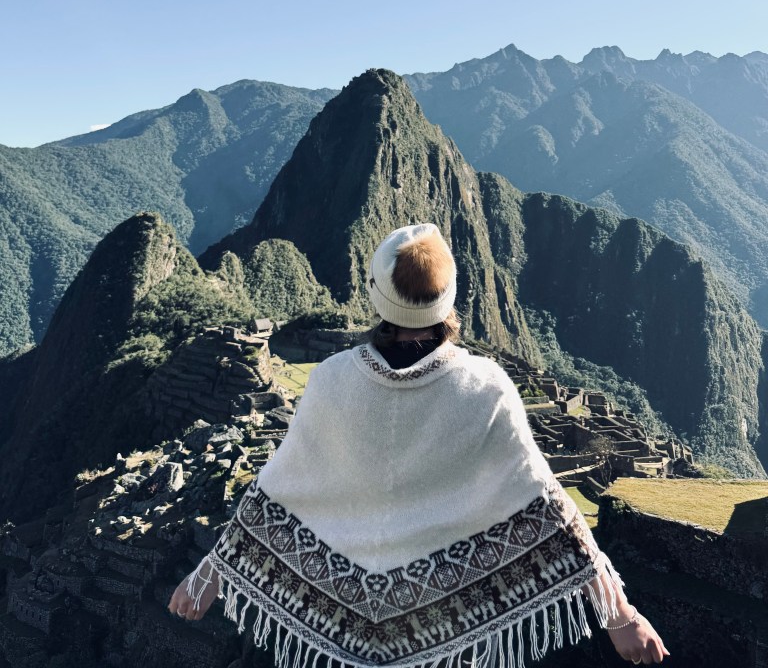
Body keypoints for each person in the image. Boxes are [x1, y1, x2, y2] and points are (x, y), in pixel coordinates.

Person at [169, 223, 670, 666]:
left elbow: (281, 489)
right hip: (449, 626)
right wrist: (619, 616)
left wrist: (210, 576)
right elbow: (546, 505)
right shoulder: (486, 386)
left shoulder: (331, 380)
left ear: (375, 294)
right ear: (448, 297)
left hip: (340, 618)